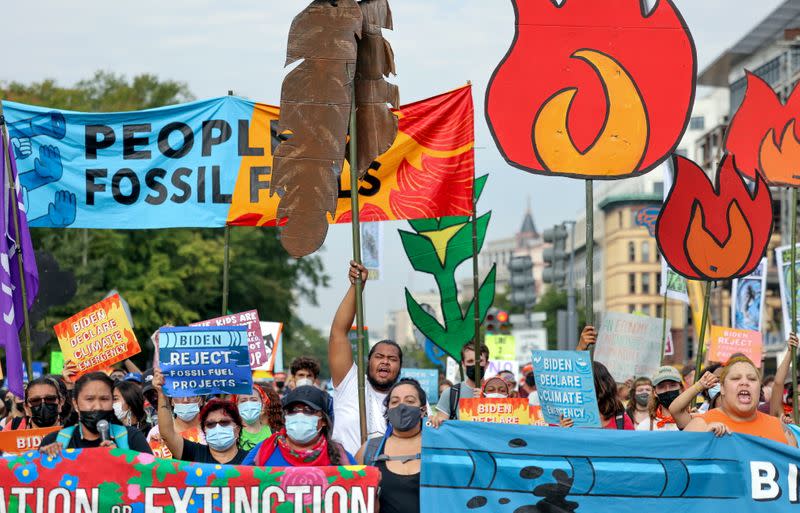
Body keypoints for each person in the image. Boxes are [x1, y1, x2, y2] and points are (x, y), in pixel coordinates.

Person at [329, 261, 402, 453]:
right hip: (346, 477)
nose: (385, 361)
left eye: (392, 359)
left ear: (400, 368)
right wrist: (356, 287)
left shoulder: (408, 397)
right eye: (379, 356)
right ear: (368, 362)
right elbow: (338, 333)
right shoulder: (350, 381)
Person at [685, 356, 797, 446]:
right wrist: (701, 441)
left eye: (752, 379)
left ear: (759, 389)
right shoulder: (700, 426)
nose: (744, 383)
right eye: (735, 378)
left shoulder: (782, 430)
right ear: (722, 388)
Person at [39, 372, 152, 454]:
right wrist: (46, 460)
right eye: (89, 399)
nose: (98, 406)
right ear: (76, 403)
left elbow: (152, 478)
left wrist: (123, 458)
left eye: (104, 399)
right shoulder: (54, 441)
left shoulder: (132, 438)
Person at [357, 379, 426, 513]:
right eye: (394, 402)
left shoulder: (438, 448)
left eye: (410, 401)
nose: (401, 406)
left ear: (422, 410)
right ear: (388, 410)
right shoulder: (369, 450)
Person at [152, 368, 247, 464]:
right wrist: (161, 393)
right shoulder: (194, 453)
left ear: (237, 429)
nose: (218, 427)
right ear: (204, 430)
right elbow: (167, 434)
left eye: (224, 422)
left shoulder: (252, 461)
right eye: (211, 424)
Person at [244, 385, 354, 466]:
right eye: (293, 410)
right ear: (285, 417)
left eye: (309, 411)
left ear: (323, 420)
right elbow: (238, 483)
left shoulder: (341, 457)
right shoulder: (263, 450)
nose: (299, 415)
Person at [561, 361, 635, 430]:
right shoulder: (565, 418)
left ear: (602, 386)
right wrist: (561, 433)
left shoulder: (620, 419)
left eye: (583, 383)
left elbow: (631, 443)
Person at [431, 341, 490, 426]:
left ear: (487, 364)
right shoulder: (450, 394)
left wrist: (488, 401)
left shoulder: (498, 394)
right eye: (470, 361)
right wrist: (436, 421)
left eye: (479, 361)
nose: (475, 365)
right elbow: (442, 428)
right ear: (463, 364)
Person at [147, 389, 206, 458]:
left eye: (192, 395)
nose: (185, 400)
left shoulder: (211, 431)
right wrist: (152, 449)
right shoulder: (156, 432)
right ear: (172, 401)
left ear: (201, 400)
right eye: (179, 395)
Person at [637, 367, 683, 431]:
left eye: (672, 385)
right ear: (654, 392)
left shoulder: (694, 421)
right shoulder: (645, 427)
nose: (668, 390)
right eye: (661, 387)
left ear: (681, 389)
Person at [770, 334, 798, 422]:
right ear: (791, 399)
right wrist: (790, 352)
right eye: (798, 394)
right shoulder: (782, 418)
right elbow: (778, 383)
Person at [237, 385, 272, 451]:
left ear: (262, 405)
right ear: (237, 405)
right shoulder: (232, 435)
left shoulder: (273, 435)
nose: (248, 404)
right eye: (243, 401)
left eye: (254, 400)